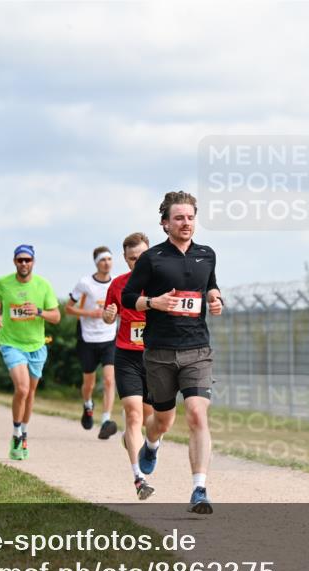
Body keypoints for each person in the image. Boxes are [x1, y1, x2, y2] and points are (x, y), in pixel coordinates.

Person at [122, 191, 224, 514]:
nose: (186, 223)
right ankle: (151, 445)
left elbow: (211, 284)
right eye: (179, 218)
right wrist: (153, 303)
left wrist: (215, 298)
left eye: (191, 217)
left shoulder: (207, 254)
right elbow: (127, 297)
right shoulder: (152, 259)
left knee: (196, 413)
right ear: (165, 223)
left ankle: (199, 489)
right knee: (162, 420)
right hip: (160, 352)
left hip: (197, 350)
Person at [0, 244, 60, 460]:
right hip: (11, 343)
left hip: (37, 345)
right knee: (22, 388)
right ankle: (16, 433)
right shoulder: (3, 283)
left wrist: (38, 312)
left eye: (27, 260)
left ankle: (25, 432)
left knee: (30, 394)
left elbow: (56, 317)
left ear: (33, 262)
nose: (24, 263)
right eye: (20, 260)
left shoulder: (43, 285)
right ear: (14, 262)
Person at [103, 232, 157, 499]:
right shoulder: (118, 285)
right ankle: (139, 478)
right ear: (125, 260)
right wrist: (108, 314)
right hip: (127, 356)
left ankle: (152, 445)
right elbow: (107, 315)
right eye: (132, 258)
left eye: (142, 257)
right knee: (133, 415)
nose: (138, 262)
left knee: (152, 419)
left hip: (156, 357)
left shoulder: (162, 282)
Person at [66, 247, 119, 439]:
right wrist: (90, 314)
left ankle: (106, 420)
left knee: (109, 380)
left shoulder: (117, 283)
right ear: (96, 262)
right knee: (88, 383)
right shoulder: (85, 283)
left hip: (109, 337)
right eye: (103, 260)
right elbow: (68, 309)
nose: (107, 263)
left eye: (110, 259)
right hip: (87, 338)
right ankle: (88, 405)